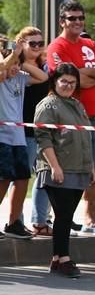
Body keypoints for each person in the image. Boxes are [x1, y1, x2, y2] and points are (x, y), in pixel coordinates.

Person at [47, 1, 95, 237]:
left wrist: (82, 72)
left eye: (80, 18)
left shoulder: (90, 44)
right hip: (72, 119)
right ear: (62, 21)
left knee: (93, 171)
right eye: (72, 18)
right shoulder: (57, 46)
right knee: (66, 173)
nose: (77, 22)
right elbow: (72, 81)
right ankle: (58, 221)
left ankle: (90, 220)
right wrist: (87, 75)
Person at [34, 63, 94, 277]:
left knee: (65, 216)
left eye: (72, 82)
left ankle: (57, 259)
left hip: (78, 169)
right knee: (63, 215)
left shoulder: (77, 105)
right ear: (54, 82)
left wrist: (90, 167)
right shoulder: (48, 105)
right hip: (58, 169)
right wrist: (54, 166)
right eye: (64, 81)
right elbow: (43, 139)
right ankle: (65, 259)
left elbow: (85, 137)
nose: (68, 86)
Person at [0, 39, 48, 239]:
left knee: (21, 178)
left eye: (18, 64)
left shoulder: (20, 77)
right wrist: (11, 57)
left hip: (18, 137)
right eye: (12, 64)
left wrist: (21, 60)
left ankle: (13, 223)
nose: (15, 68)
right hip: (2, 135)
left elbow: (43, 76)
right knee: (3, 179)